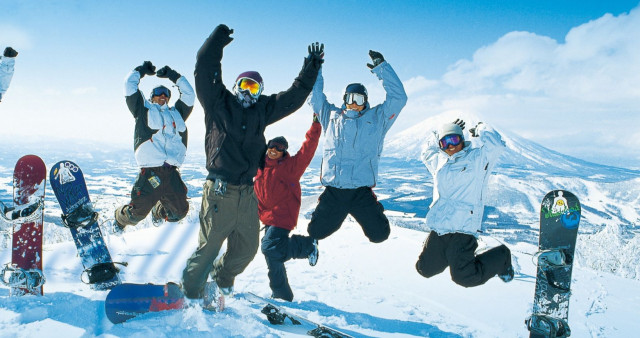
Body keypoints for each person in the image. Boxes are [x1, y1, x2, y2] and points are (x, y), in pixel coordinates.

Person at [180, 24, 323, 309]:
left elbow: (292, 98)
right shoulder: (218, 103)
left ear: (259, 93)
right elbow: (204, 69)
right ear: (235, 88)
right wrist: (216, 41)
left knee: (247, 248)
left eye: (253, 87)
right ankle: (190, 292)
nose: (247, 91)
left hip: (247, 194)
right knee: (209, 247)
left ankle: (221, 280)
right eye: (243, 85)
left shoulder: (262, 111)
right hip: (219, 190)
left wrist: (311, 69)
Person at [306, 49, 407, 247]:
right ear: (344, 99)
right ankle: (327, 216)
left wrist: (382, 68)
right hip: (335, 190)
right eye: (350, 98)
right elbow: (315, 95)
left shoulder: (378, 119)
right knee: (315, 231)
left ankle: (374, 212)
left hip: (361, 191)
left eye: (359, 99)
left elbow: (399, 98)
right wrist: (315, 67)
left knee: (380, 235)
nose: (353, 103)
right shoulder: (331, 116)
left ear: (366, 101)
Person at [415, 119, 514, 287]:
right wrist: (440, 132)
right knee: (424, 268)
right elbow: (426, 152)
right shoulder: (439, 161)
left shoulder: (477, 159)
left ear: (462, 139)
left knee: (464, 277)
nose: (450, 146)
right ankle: (453, 257)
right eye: (445, 142)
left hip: (463, 227)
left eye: (454, 140)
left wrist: (481, 129)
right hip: (440, 226)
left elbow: (496, 146)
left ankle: (502, 257)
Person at [113, 61, 195, 231]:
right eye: (158, 93)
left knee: (179, 212)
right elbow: (129, 86)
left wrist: (173, 74)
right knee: (136, 214)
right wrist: (141, 70)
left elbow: (189, 95)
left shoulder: (177, 113)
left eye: (166, 93)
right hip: (151, 172)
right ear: (152, 97)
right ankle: (119, 218)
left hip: (171, 172)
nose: (163, 95)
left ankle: (158, 211)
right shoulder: (143, 110)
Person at [255, 118, 321, 302]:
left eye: (280, 148)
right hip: (267, 218)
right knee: (272, 258)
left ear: (284, 151)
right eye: (272, 147)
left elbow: (307, 150)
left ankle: (307, 246)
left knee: (269, 247)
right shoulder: (259, 166)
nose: (274, 150)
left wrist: (316, 125)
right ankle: (282, 295)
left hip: (282, 216)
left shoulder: (290, 167)